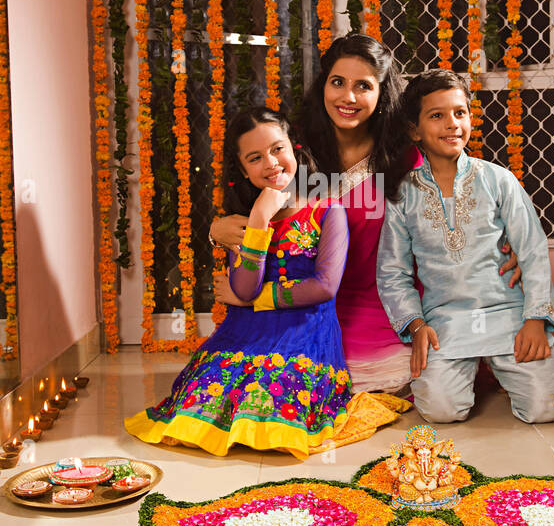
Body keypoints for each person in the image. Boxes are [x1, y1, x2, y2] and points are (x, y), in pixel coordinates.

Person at [210, 34, 523, 400]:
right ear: (323, 84)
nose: (348, 97)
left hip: (387, 305)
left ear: (381, 93)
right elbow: (254, 203)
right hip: (306, 305)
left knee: (401, 384)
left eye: (363, 86)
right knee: (265, 386)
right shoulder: (295, 151)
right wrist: (217, 229)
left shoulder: (405, 159)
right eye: (338, 82)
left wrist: (503, 245)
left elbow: (446, 216)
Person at [127, 108, 352, 458]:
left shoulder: (327, 210)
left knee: (275, 388)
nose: (271, 163)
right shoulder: (241, 220)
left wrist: (255, 300)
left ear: (294, 148)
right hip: (246, 332)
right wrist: (260, 219)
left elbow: (324, 287)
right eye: (255, 158)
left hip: (306, 330)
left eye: (278, 149)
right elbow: (243, 286)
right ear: (244, 171)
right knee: (206, 386)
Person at [376, 69, 554, 424]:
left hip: (509, 316)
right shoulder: (402, 194)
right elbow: (393, 272)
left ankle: (506, 369)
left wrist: (535, 319)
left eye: (460, 112)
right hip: (446, 321)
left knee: (546, 407)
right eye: (437, 116)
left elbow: (532, 250)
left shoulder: (498, 180)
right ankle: (478, 373)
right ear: (414, 130)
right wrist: (418, 325)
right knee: (441, 410)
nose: (452, 124)